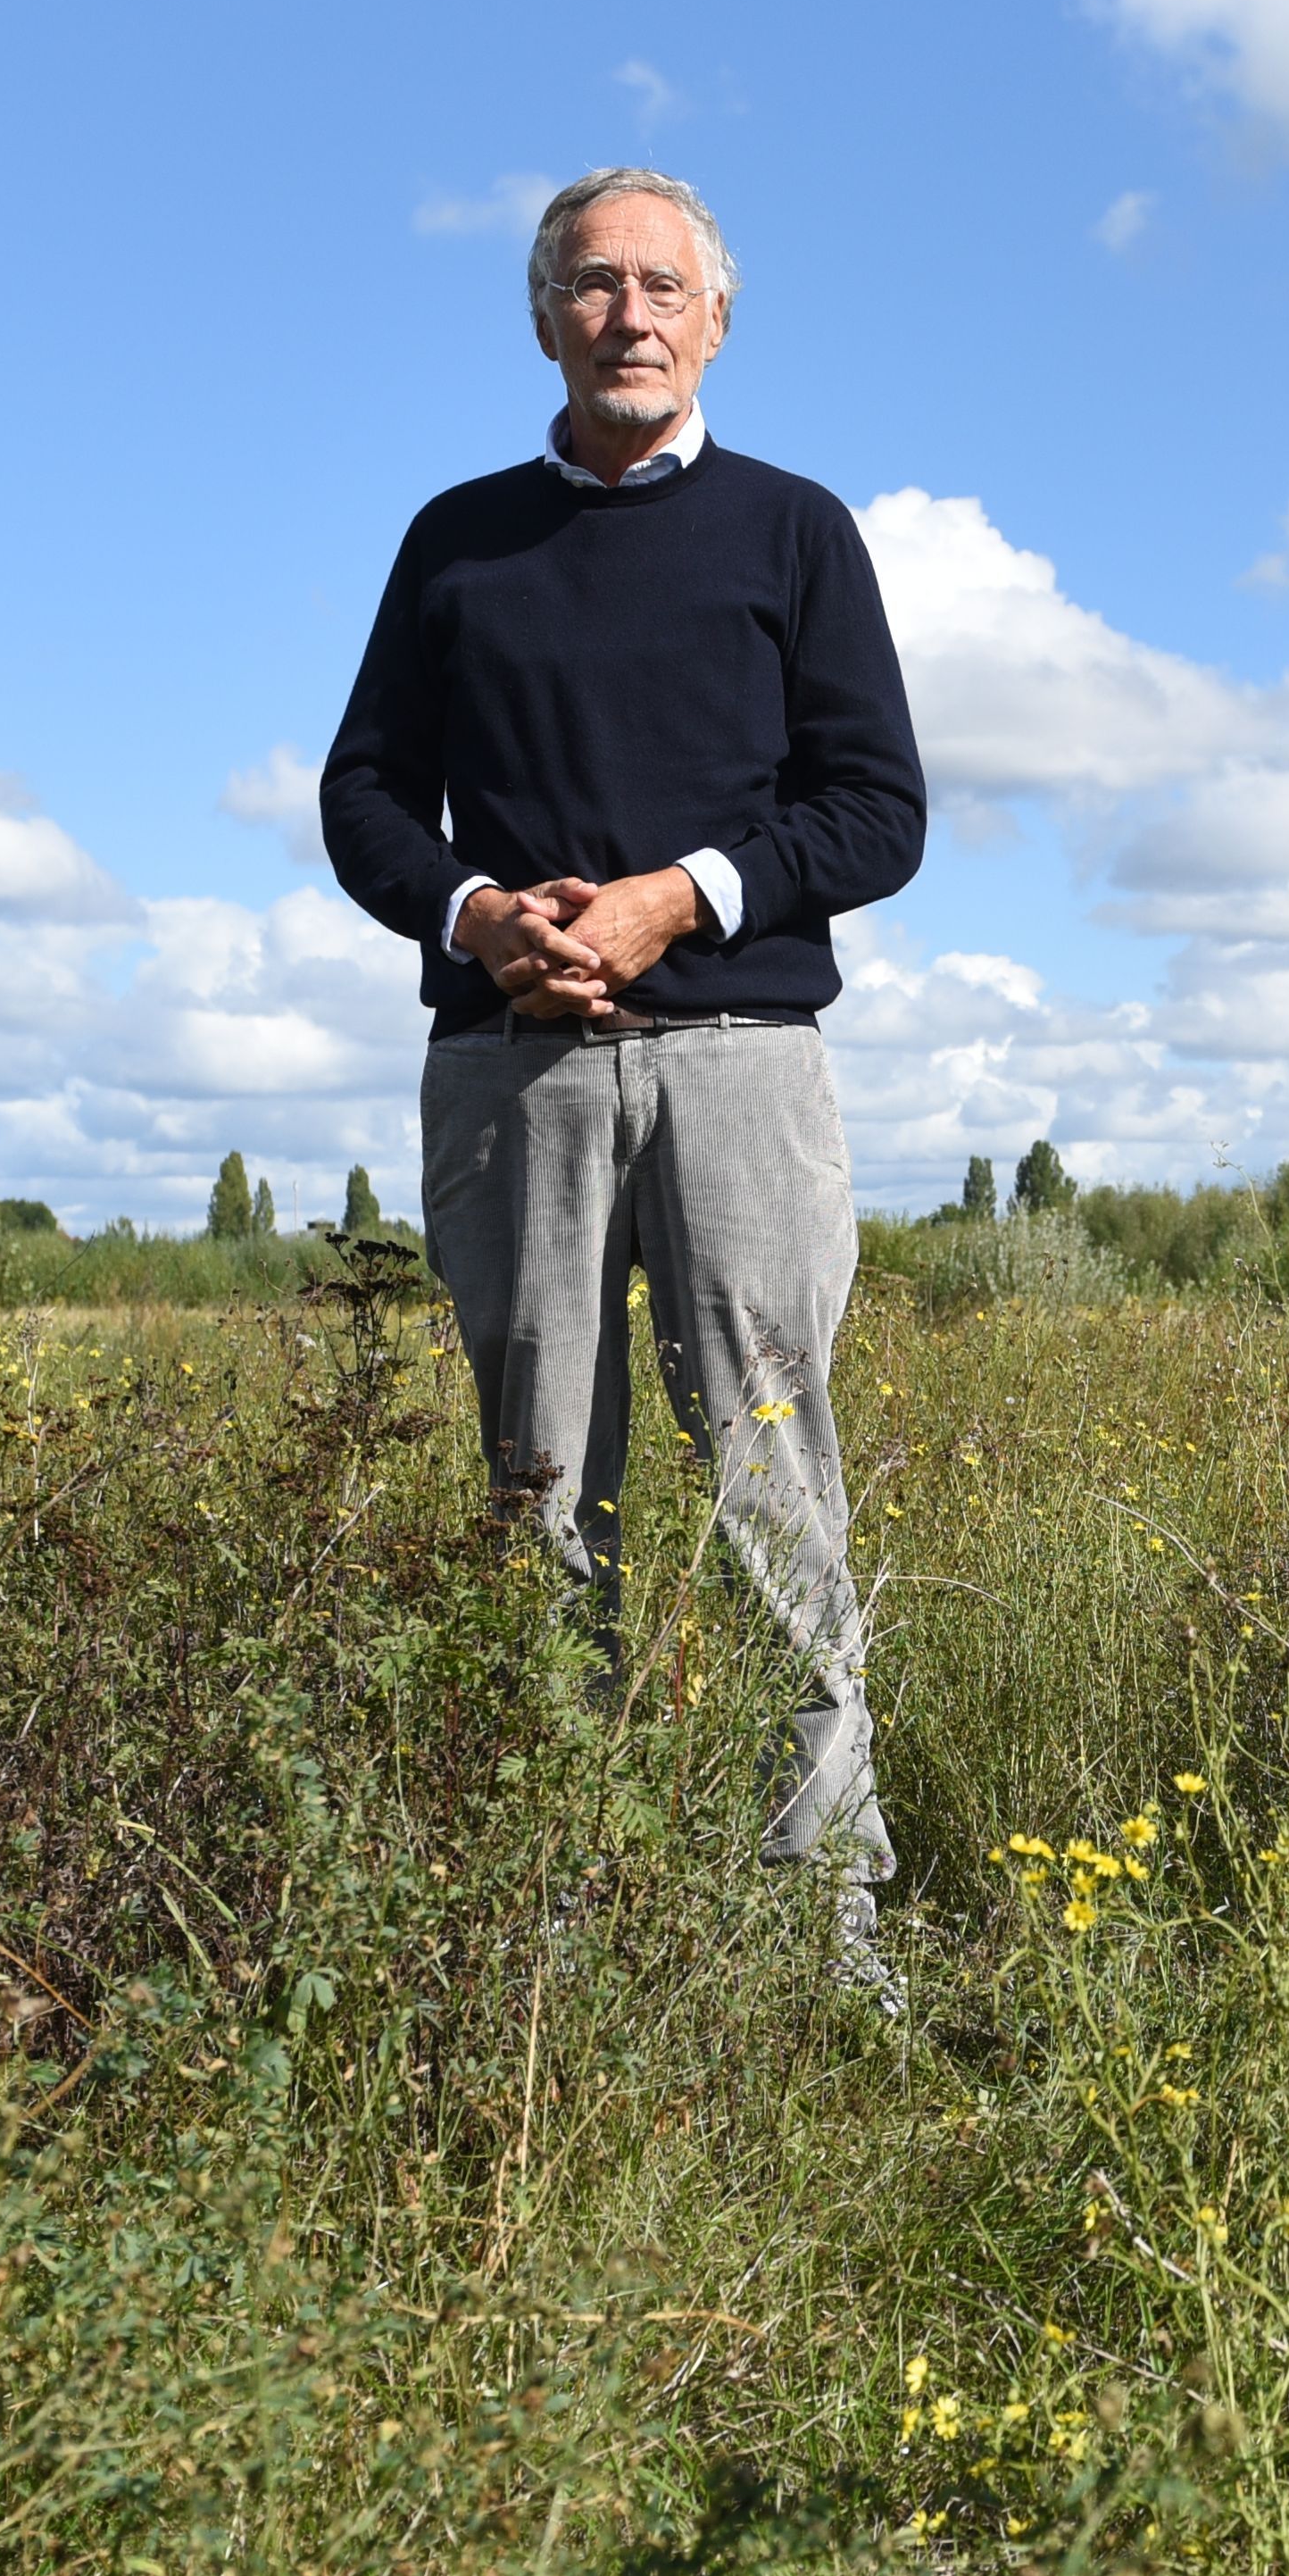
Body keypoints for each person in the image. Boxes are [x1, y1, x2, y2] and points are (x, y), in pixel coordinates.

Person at [316, 164, 927, 1981]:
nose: (630, 314)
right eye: (594, 285)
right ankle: (550, 1932)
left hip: (741, 1065)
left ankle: (829, 1939)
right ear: (543, 317)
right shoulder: (457, 541)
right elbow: (363, 797)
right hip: (519, 1075)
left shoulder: (796, 531)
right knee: (535, 1498)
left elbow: (874, 807)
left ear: (716, 316)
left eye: (663, 284)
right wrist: (479, 911)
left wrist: (680, 897)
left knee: (773, 1495)